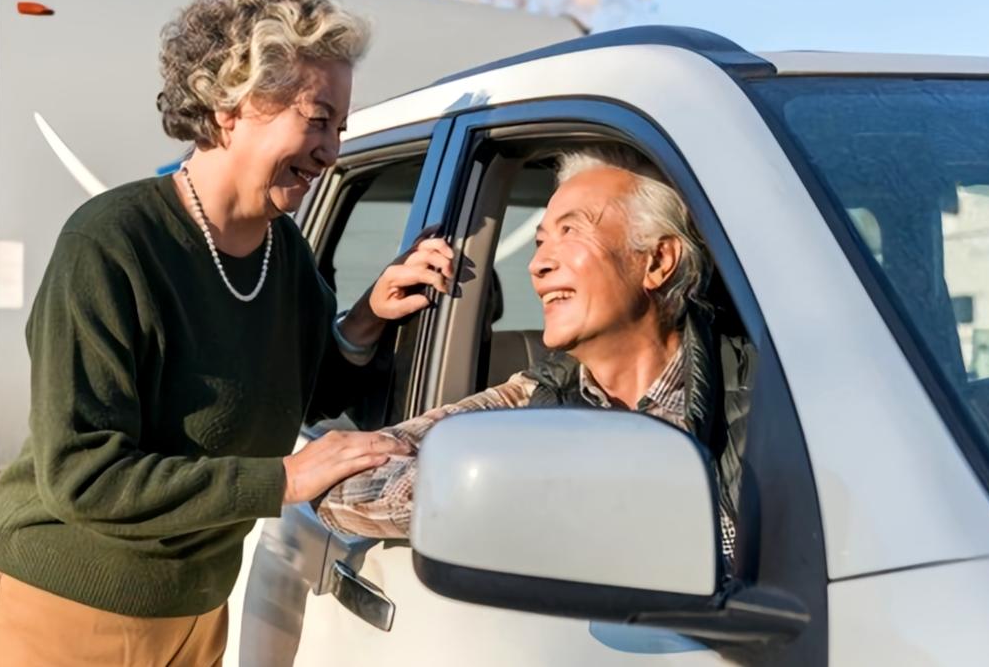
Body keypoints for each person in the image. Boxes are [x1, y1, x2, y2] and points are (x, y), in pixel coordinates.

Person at [0, 0, 450, 667]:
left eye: (339, 127)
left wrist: (367, 316)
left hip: (193, 613)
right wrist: (284, 480)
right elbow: (83, 475)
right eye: (316, 118)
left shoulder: (287, 255)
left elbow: (301, 389)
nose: (331, 150)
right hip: (62, 609)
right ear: (230, 107)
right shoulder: (112, 244)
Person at [318, 147, 753, 573]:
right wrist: (546, 497)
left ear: (657, 261)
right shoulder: (533, 396)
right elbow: (337, 482)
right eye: (540, 240)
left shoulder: (770, 399)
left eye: (571, 232)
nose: (537, 264)